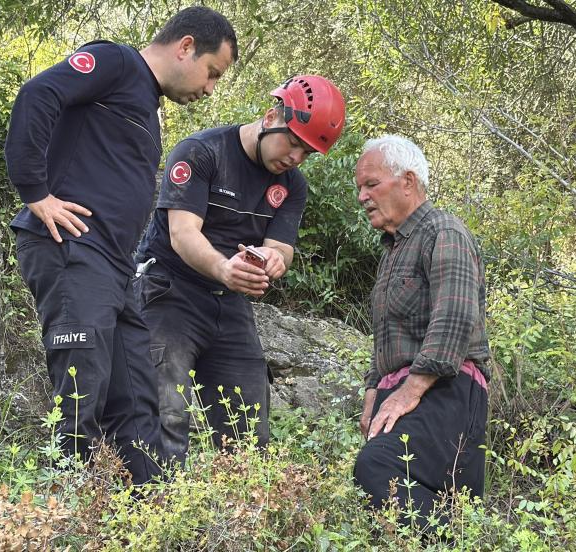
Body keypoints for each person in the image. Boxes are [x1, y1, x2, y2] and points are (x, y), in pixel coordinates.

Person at [4, 7, 238, 484]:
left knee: (136, 397)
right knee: (80, 386)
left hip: (115, 268)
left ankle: (145, 514)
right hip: (73, 249)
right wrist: (36, 194)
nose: (210, 88)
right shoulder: (116, 62)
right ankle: (63, 514)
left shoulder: (146, 103)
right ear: (186, 46)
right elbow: (38, 93)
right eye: (212, 73)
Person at [133, 75, 346, 465]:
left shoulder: (292, 186)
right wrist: (223, 267)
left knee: (248, 432)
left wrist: (275, 260)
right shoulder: (201, 153)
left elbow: (280, 244)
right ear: (270, 117)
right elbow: (182, 234)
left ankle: (238, 520)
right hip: (168, 293)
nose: (296, 158)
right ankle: (150, 508)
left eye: (307, 153)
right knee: (164, 416)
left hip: (228, 305)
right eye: (294, 143)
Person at [351, 135, 491, 526]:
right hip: (410, 394)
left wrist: (404, 395)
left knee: (378, 469)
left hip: (447, 392)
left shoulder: (443, 231)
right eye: (359, 188)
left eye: (371, 184)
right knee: (436, 512)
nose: (362, 196)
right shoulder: (393, 252)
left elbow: (455, 318)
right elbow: (386, 340)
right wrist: (374, 395)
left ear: (408, 181)